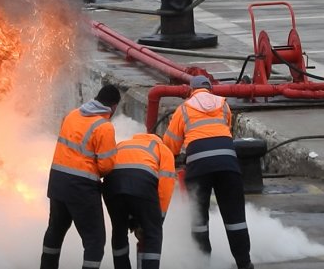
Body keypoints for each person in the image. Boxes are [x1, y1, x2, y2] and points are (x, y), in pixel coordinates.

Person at [162, 75, 254, 269]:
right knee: (235, 218)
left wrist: (170, 160)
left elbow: (170, 144)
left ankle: (202, 263)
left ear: (190, 91)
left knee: (199, 219)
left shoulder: (184, 109)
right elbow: (225, 130)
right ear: (210, 89)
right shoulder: (223, 105)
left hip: (198, 167)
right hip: (228, 164)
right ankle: (244, 263)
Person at [40, 84, 121, 269]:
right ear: (114, 107)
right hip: (81, 188)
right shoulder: (104, 127)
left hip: (57, 182)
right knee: (95, 241)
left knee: (55, 231)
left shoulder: (72, 115)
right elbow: (107, 166)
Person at [102, 133, 176, 269]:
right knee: (153, 235)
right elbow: (166, 186)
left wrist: (133, 221)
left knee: (119, 230)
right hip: (142, 184)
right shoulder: (162, 148)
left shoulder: (122, 144)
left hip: (111, 186)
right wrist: (157, 220)